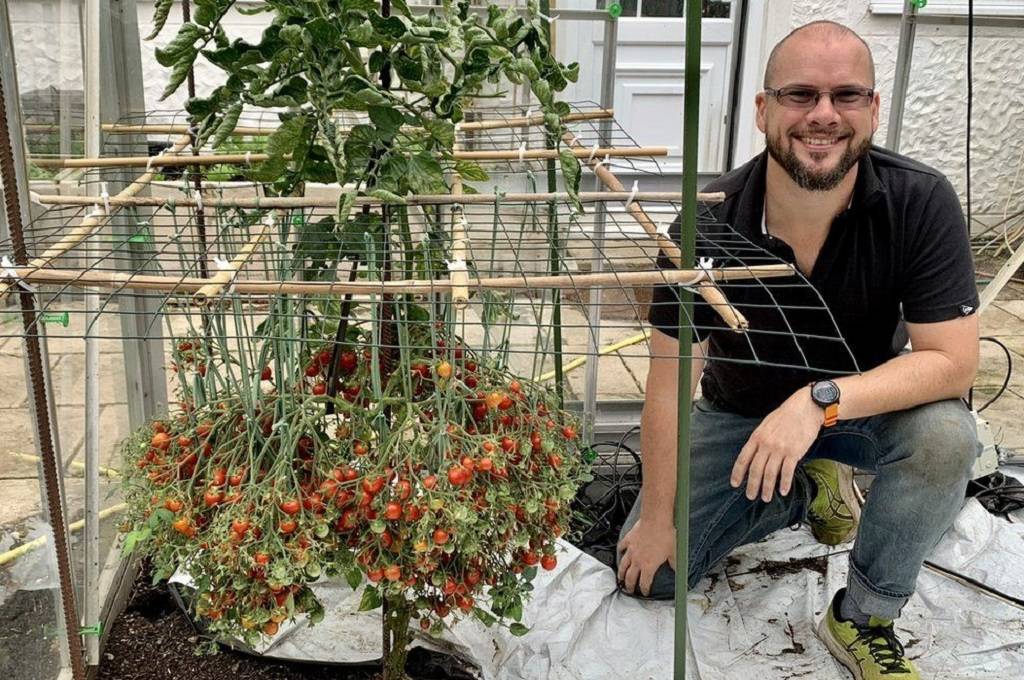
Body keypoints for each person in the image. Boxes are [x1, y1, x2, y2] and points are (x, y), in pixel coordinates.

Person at [616, 20, 980, 680]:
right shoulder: (706, 223)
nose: (822, 116)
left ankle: (864, 616)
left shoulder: (920, 201)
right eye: (800, 94)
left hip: (861, 412)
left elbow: (953, 360)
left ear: (872, 109)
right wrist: (658, 516)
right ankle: (801, 492)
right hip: (740, 419)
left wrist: (818, 402)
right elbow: (668, 385)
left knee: (949, 436)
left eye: (846, 96)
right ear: (762, 110)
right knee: (653, 574)